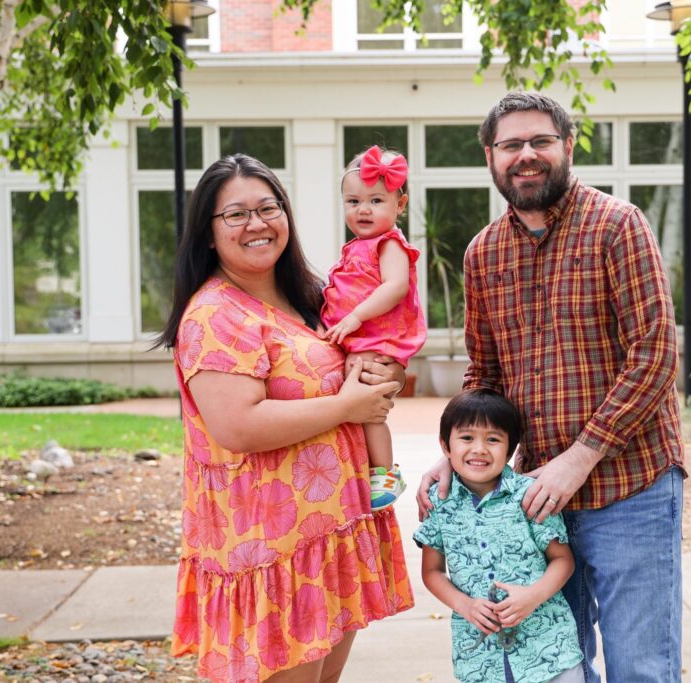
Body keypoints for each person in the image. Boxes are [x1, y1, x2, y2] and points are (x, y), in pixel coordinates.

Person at [417, 92, 686, 683]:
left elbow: (656, 353)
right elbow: (484, 375)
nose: (527, 155)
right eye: (511, 144)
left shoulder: (619, 226)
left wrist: (581, 457)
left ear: (567, 146)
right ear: (491, 156)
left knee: (641, 666)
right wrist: (454, 460)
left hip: (631, 488)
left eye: (541, 140)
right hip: (535, 504)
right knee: (555, 668)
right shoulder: (483, 254)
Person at [159, 154, 414, 683]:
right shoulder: (215, 315)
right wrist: (350, 405)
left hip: (331, 534)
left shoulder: (311, 298)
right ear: (207, 233)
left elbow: (377, 339)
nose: (256, 224)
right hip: (272, 550)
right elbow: (238, 427)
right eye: (235, 214)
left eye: (268, 207)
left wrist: (380, 367)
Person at [415, 389, 585, 683]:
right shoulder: (438, 502)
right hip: (479, 658)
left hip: (549, 650)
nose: (479, 449)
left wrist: (532, 596)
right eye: (467, 438)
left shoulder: (530, 496)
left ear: (509, 449)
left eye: (493, 439)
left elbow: (563, 560)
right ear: (446, 446)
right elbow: (431, 572)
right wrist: (464, 604)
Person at [321, 145, 427, 510]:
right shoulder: (355, 248)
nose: (363, 209)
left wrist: (355, 318)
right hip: (360, 341)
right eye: (353, 201)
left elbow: (395, 287)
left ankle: (384, 472)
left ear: (400, 205)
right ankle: (366, 467)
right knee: (360, 405)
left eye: (376, 201)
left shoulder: (389, 244)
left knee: (370, 407)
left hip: (379, 340)